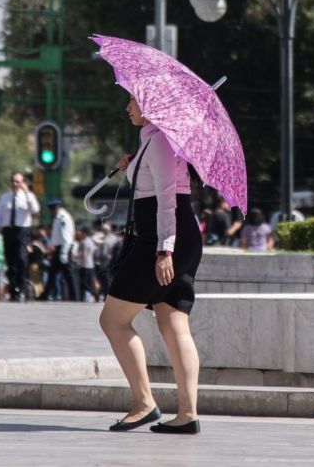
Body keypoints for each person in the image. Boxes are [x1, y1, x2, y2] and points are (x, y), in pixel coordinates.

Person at [99, 95, 204, 434]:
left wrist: (164, 250)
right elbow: (152, 187)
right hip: (177, 236)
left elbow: (166, 197)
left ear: (151, 106)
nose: (127, 107)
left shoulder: (159, 140)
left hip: (162, 238)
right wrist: (131, 167)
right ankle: (187, 414)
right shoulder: (153, 139)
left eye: (132, 101)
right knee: (173, 323)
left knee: (113, 321)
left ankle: (144, 403)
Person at [0, 172, 41, 301]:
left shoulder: (28, 196)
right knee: (10, 260)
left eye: (18, 181)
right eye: (13, 181)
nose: (15, 184)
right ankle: (13, 289)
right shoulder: (4, 198)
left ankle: (21, 286)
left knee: (21, 258)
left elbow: (35, 209)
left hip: (22, 230)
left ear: (23, 183)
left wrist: (27, 193)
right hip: (8, 231)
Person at [39, 199, 78, 301]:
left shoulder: (63, 217)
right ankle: (45, 295)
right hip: (58, 249)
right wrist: (51, 246)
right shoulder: (57, 218)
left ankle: (75, 296)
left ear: (56, 208)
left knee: (69, 275)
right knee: (52, 274)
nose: (51, 212)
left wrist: (64, 252)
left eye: (52, 210)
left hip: (64, 248)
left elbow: (66, 237)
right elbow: (56, 236)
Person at [93, 222, 119, 301]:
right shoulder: (115, 238)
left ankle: (106, 296)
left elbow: (103, 254)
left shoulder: (105, 240)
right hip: (114, 261)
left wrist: (97, 256)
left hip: (105, 262)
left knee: (106, 280)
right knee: (111, 280)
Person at [76, 227, 97, 302]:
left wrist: (76, 256)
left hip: (84, 265)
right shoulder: (91, 242)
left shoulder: (84, 242)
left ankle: (94, 293)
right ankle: (90, 295)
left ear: (84, 233)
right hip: (91, 264)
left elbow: (83, 254)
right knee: (88, 282)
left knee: (84, 283)